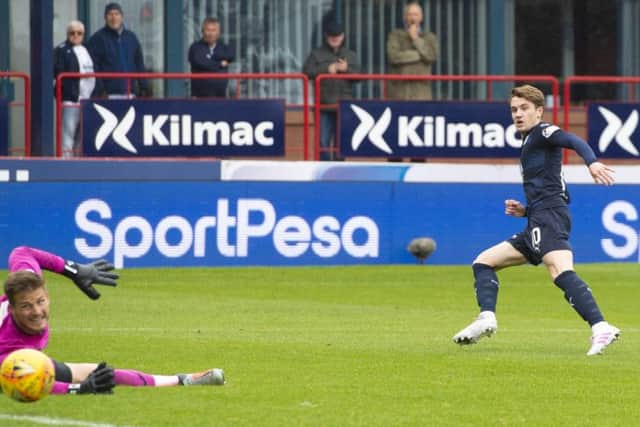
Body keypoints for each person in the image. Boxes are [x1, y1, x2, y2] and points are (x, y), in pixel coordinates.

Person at [452, 84, 620, 356]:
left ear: (539, 111)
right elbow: (555, 186)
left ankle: (601, 327)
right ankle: (486, 318)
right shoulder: (529, 140)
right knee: (484, 262)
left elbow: (573, 140)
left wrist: (592, 162)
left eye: (524, 109)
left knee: (559, 270)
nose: (518, 114)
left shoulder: (543, 132)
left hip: (550, 217)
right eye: (514, 109)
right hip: (539, 217)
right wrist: (526, 211)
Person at [1, 246, 225, 394]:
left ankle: (183, 379)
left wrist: (74, 270)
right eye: (26, 306)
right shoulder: (11, 351)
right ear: (11, 309)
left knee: (103, 375)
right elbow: (33, 383)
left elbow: (21, 252)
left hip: (28, 359)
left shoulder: (27, 282)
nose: (37, 311)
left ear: (47, 295)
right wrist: (77, 390)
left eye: (40, 301)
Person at [303, 21, 360, 161]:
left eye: (338, 36)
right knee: (322, 142)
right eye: (331, 36)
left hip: (343, 106)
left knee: (342, 144)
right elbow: (306, 73)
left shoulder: (350, 55)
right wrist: (326, 70)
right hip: (323, 105)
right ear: (325, 36)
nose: (335, 39)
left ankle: (339, 173)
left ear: (343, 36)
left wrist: (346, 70)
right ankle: (324, 170)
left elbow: (359, 76)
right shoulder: (316, 54)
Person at [87, 2, 150, 98]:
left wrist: (144, 86)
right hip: (108, 95)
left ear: (122, 17)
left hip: (130, 93)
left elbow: (139, 64)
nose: (114, 18)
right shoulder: (97, 39)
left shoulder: (131, 38)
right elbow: (94, 67)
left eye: (116, 14)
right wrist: (100, 89)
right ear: (105, 18)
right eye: (110, 14)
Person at [54, 21, 97, 158]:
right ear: (67, 34)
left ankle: (78, 165)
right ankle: (65, 167)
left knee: (81, 136)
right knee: (68, 135)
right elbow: (57, 74)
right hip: (70, 100)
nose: (75, 36)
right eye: (72, 33)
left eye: (79, 33)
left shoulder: (86, 50)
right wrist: (63, 94)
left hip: (86, 100)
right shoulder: (61, 50)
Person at [386, 2, 438, 101]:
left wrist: (416, 39)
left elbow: (431, 56)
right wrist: (420, 55)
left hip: (421, 93)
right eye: (410, 14)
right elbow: (393, 56)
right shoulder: (395, 35)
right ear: (405, 17)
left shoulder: (430, 37)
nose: (412, 18)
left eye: (415, 14)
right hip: (399, 92)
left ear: (421, 17)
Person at [188, 17, 235, 98]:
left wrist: (210, 58)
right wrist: (220, 64)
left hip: (220, 97)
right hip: (199, 97)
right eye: (208, 30)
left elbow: (231, 55)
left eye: (213, 30)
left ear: (218, 32)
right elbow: (200, 62)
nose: (210, 33)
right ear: (203, 31)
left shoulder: (224, 47)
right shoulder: (195, 47)